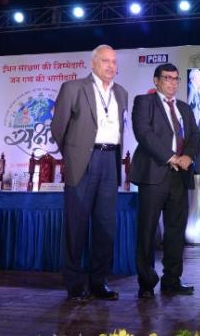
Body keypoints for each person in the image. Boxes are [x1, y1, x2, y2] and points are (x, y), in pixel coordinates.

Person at [51, 44, 128, 302]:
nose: (111, 66)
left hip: (110, 160)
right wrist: (73, 155)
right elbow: (58, 128)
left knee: (105, 225)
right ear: (93, 63)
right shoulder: (73, 88)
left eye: (114, 62)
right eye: (106, 61)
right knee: (76, 225)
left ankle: (98, 282)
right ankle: (74, 283)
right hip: (83, 160)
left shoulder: (121, 93)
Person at [130, 63, 200, 299]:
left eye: (176, 78)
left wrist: (188, 156)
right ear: (156, 80)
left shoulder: (184, 108)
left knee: (175, 230)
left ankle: (172, 280)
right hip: (154, 174)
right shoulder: (144, 102)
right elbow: (144, 133)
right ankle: (146, 283)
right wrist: (171, 157)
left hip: (180, 175)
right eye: (167, 78)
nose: (172, 82)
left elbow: (195, 136)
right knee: (148, 230)